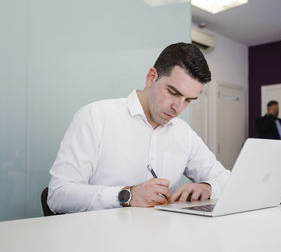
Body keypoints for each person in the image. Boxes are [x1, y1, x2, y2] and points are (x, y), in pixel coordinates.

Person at [47, 43, 230, 213]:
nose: (178, 107)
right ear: (151, 78)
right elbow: (58, 195)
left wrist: (208, 187)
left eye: (188, 100)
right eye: (173, 93)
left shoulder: (184, 133)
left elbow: (227, 179)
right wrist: (128, 195)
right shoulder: (95, 117)